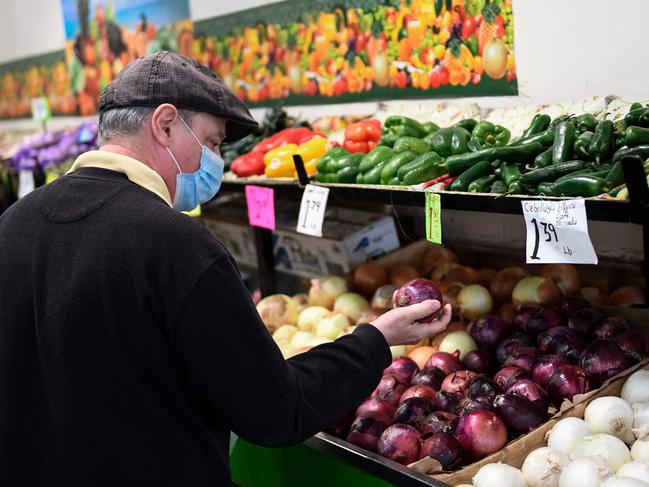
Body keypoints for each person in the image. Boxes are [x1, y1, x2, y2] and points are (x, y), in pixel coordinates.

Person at [0, 52, 452, 487]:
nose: (216, 159)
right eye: (213, 142)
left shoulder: (13, 223)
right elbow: (274, 410)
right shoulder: (175, 245)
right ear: (165, 124)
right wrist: (375, 339)